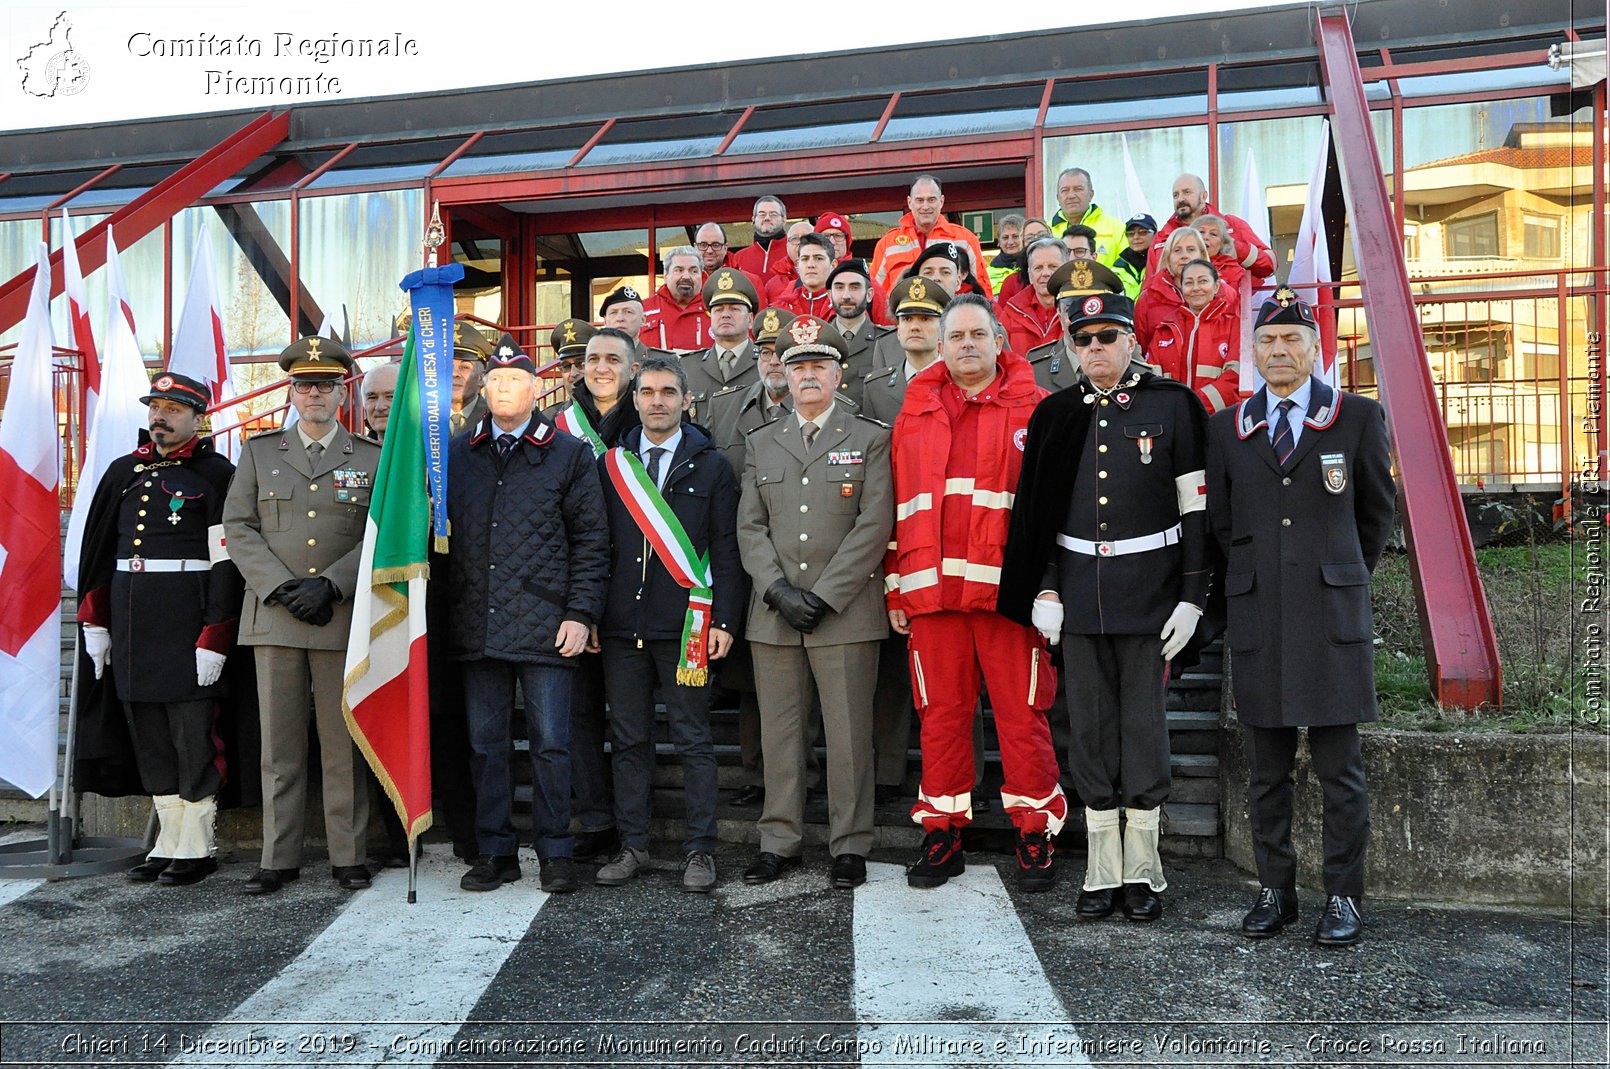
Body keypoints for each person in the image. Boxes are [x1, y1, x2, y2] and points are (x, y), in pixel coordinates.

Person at [999, 290, 1211, 923]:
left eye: (1108, 337)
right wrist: (1044, 587)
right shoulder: (1055, 414)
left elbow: (1197, 511)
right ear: (1070, 347)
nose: (1095, 349)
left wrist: (1193, 596)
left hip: (1150, 591)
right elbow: (1038, 514)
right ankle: (1100, 866)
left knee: (1143, 726)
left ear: (1132, 342)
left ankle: (1143, 867)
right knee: (1088, 726)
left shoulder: (1173, 406)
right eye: (1084, 340)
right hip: (1082, 594)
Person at [1205, 289, 1394, 948]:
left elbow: (1374, 518)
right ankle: (1275, 890)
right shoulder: (1228, 427)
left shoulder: (1356, 418)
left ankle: (1343, 894)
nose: (1279, 351)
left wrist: (1336, 572)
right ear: (1253, 352)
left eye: (1292, 340)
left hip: (1329, 616)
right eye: (1268, 341)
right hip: (1261, 618)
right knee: (1267, 771)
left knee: (1341, 770)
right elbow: (1223, 525)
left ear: (1315, 349)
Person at [884, 293, 1066, 891]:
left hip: (1009, 600)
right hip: (932, 597)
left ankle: (1035, 831)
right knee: (940, 718)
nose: (966, 345)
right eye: (955, 336)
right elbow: (897, 505)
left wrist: (1048, 590)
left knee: (1022, 717)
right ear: (939, 346)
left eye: (977, 335)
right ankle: (942, 832)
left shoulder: (1037, 409)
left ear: (998, 342)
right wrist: (896, 588)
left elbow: (1056, 509)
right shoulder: (912, 414)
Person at [443, 335, 610, 894]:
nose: (503, 388)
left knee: (551, 744)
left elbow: (591, 541)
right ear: (482, 389)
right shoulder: (458, 454)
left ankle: (555, 851)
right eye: (494, 381)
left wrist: (581, 613)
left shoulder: (568, 453)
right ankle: (495, 851)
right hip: (476, 622)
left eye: (515, 380)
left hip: (546, 622)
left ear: (537, 389)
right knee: (485, 746)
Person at [736, 315, 895, 890]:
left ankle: (849, 844)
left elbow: (875, 526)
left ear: (838, 374)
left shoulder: (870, 437)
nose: (807, 376)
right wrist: (776, 589)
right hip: (775, 613)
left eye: (818, 367)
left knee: (850, 736)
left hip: (846, 613)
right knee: (781, 736)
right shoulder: (761, 440)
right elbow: (749, 528)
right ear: (785, 373)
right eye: (797, 366)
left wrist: (824, 596)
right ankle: (779, 841)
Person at [223, 336, 381, 895]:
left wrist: (331, 585)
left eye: (325, 384)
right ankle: (277, 857)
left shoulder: (369, 456)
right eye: (304, 384)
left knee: (343, 745)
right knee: (280, 746)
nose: (314, 393)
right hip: (276, 616)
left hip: (337, 616)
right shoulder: (259, 452)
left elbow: (378, 534)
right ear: (291, 392)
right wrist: (280, 586)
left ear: (343, 392)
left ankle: (348, 855)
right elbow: (238, 527)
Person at [75, 371, 245, 886]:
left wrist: (216, 632)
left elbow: (227, 559)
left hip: (187, 620)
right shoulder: (124, 471)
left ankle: (198, 843)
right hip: (132, 619)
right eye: (155, 406)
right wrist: (95, 619)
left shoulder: (217, 474)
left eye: (173, 409)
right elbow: (103, 553)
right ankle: (168, 839)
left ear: (200, 416)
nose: (160, 417)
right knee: (146, 730)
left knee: (193, 732)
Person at [593, 356, 744, 893]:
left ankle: (700, 850)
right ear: (634, 400)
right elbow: (594, 545)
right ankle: (633, 845)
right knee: (630, 740)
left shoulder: (713, 465)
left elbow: (726, 547)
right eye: (648, 392)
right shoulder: (610, 466)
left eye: (668, 392)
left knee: (693, 739)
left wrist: (725, 618)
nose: (657, 401)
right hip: (619, 628)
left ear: (686, 401)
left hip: (687, 627)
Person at [543, 326, 641, 863]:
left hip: (636, 591)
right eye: (592, 359)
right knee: (578, 718)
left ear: (633, 366)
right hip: (572, 592)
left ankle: (633, 824)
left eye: (613, 359)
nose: (601, 367)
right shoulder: (554, 426)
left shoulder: (654, 416)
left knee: (630, 722)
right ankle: (597, 819)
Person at [1147, 258, 1242, 413]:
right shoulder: (1165, 328)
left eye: (1203, 281)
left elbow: (1235, 377)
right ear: (1181, 288)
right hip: (1172, 418)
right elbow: (1152, 376)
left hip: (1217, 419)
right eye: (1189, 283)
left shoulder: (1233, 325)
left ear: (1216, 286)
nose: (1196, 288)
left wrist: (1195, 406)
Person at [870, 174, 991, 296]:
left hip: (951, 313)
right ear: (910, 202)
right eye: (920, 200)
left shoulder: (965, 239)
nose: (925, 206)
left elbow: (982, 290)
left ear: (941, 201)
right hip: (904, 314)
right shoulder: (887, 244)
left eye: (931, 200)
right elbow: (876, 296)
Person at [1147, 173, 1275, 284]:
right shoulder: (1161, 238)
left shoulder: (1232, 226)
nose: (1180, 199)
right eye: (1175, 195)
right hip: (1173, 310)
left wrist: (1232, 244)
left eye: (1187, 192)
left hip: (1225, 309)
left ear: (1203, 196)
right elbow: (1150, 286)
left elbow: (1270, 266)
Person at [1025, 258, 1126, 393]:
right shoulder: (1036, 373)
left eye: (1091, 308)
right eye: (1070, 310)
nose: (1081, 319)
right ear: (1059, 314)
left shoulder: (1137, 369)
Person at [1135, 227, 1227, 356]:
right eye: (1177, 250)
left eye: (1191, 250)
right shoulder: (1148, 297)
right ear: (1167, 257)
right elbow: (1142, 348)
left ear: (1202, 254)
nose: (1184, 256)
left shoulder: (1225, 293)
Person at [682, 266, 761, 412]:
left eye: (734, 309)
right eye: (718, 310)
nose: (725, 315)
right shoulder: (687, 367)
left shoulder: (766, 364)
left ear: (750, 320)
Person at [825, 258, 900, 404]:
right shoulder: (818, 339)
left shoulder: (888, 341)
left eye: (854, 287)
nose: (846, 296)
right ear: (829, 295)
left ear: (870, 294)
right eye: (839, 287)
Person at [999, 237, 1068, 356]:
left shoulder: (1077, 310)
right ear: (1030, 275)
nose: (1046, 273)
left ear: (1066, 270)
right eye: (1038, 268)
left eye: (1053, 267)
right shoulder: (1010, 314)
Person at [1047, 167, 1125, 265]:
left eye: (1078, 189)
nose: (1071, 195)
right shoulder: (1046, 231)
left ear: (1091, 194)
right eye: (1065, 190)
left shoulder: (1117, 228)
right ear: (1058, 197)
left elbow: (1128, 267)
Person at [640, 246, 710, 352]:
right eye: (679, 270)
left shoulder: (716, 310)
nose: (686, 276)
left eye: (694, 271)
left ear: (701, 275)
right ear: (665, 275)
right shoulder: (643, 310)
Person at [730, 194, 795, 289]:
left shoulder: (795, 253)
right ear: (753, 219)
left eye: (773, 214)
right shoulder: (738, 258)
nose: (767, 218)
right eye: (762, 214)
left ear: (784, 219)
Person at [600, 284, 675, 363]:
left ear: (643, 320)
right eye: (613, 313)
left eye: (628, 312)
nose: (620, 318)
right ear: (605, 321)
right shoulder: (592, 359)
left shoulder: (663, 361)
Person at [770, 232, 836, 318]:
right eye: (805, 259)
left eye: (819, 258)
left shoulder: (845, 307)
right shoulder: (780, 310)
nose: (811, 265)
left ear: (833, 265)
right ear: (797, 264)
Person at [996, 218, 1053, 306]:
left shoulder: (1064, 274)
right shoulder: (1012, 282)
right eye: (1029, 238)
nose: (1037, 240)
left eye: (1042, 235)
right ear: (1023, 243)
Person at [694, 222, 763, 295]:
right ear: (695, 247)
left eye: (716, 245)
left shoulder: (749, 282)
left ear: (725, 248)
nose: (709, 251)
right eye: (703, 245)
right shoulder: (684, 282)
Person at [546, 317, 597, 412]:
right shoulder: (551, 419)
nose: (573, 374)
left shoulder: (625, 417)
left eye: (581, 364)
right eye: (566, 366)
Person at [450, 324, 493, 434]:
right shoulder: (420, 418)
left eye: (465, 367)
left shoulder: (496, 418)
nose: (454, 374)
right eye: (448, 366)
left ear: (481, 378)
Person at [1113, 214, 1154, 300]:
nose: (1136, 237)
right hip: (1125, 313)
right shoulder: (1117, 267)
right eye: (1130, 234)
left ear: (1155, 234)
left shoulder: (1163, 263)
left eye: (1143, 232)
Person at [986, 213, 1026, 295]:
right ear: (999, 242)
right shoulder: (987, 273)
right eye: (1005, 237)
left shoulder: (1032, 267)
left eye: (1015, 236)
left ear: (1024, 238)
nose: (1010, 242)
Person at [360, 361, 399, 438]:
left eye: (391, 397)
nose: (380, 407)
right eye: (372, 397)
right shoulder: (356, 449)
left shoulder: (427, 448)